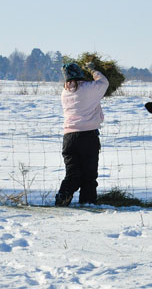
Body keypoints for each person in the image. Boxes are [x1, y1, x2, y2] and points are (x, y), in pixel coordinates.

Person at [55, 62, 109, 206]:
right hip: (88, 136)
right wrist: (93, 70)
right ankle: (88, 202)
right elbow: (104, 83)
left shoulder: (65, 92)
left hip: (69, 138)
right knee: (89, 175)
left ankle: (62, 197)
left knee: (72, 173)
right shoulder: (88, 88)